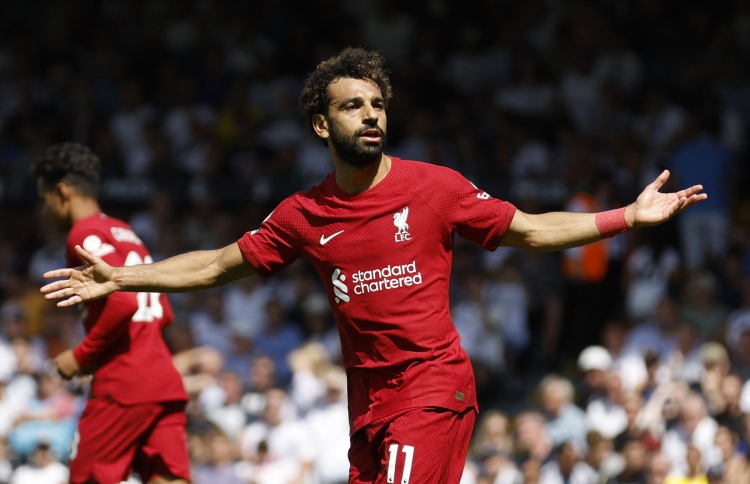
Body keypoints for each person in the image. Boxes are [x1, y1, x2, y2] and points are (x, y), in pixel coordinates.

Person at [39, 47, 707, 483]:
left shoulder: (435, 187)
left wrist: (625, 216)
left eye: (378, 104)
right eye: (352, 105)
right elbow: (218, 265)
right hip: (368, 407)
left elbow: (531, 230)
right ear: (321, 126)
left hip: (432, 389)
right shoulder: (303, 213)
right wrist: (121, 276)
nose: (370, 116)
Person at [30, 142, 190, 484]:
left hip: (123, 385)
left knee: (86, 478)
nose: (45, 212)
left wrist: (80, 356)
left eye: (45, 201)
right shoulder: (125, 231)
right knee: (167, 478)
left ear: (62, 192)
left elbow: (125, 302)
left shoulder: (83, 234)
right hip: (162, 379)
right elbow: (163, 312)